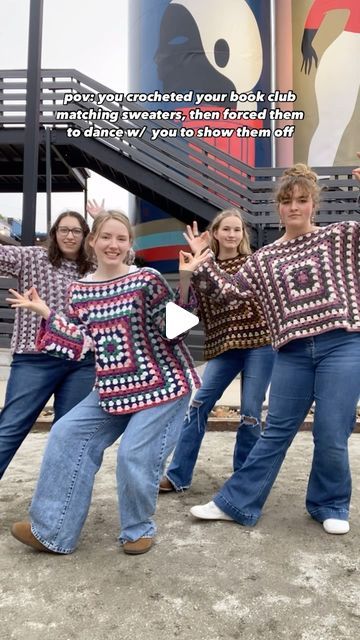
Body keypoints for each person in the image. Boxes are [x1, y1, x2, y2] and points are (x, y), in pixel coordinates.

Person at [8, 210, 201, 555]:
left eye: (121, 238)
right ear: (93, 241)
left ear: (129, 245)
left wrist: (186, 279)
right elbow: (83, 343)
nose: (113, 244)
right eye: (107, 237)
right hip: (112, 388)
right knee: (66, 433)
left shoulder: (147, 278)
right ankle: (52, 529)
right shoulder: (78, 291)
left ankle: (138, 528)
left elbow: (177, 330)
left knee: (133, 454)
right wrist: (47, 315)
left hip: (163, 385)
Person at [181, 164, 360, 535]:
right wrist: (204, 261)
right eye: (286, 201)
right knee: (276, 430)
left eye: (302, 200)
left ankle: (329, 503)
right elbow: (230, 294)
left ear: (314, 205)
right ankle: (237, 502)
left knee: (330, 430)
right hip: (291, 351)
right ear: (278, 207)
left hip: (341, 344)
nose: (294, 207)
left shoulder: (340, 236)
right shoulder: (263, 259)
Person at [160, 210, 274, 493]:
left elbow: (230, 292)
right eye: (227, 229)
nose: (232, 235)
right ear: (215, 234)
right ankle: (177, 475)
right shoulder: (200, 268)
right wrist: (186, 276)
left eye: (237, 230)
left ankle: (243, 481)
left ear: (243, 235)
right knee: (198, 406)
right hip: (223, 348)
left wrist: (204, 262)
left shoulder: (252, 263)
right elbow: (182, 315)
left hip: (259, 345)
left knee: (250, 412)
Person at [0, 211, 96, 479]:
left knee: (68, 435)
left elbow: (125, 256)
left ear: (86, 236)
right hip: (34, 358)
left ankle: (53, 510)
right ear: (54, 233)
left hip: (80, 361)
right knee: (11, 426)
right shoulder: (32, 257)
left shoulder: (93, 267)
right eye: (63, 230)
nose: (69, 236)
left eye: (76, 231)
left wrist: (100, 223)